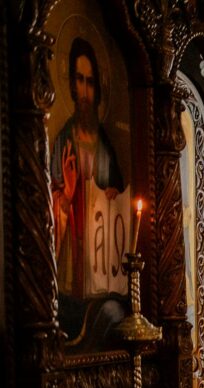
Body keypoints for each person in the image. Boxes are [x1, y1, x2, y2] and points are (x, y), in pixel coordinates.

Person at [50, 36, 125, 298]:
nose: (84, 92)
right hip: (71, 266)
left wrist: (115, 195)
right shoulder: (63, 142)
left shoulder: (105, 144)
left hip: (103, 264)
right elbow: (49, 209)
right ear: (71, 85)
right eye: (79, 80)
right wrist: (66, 195)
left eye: (90, 83)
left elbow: (121, 199)